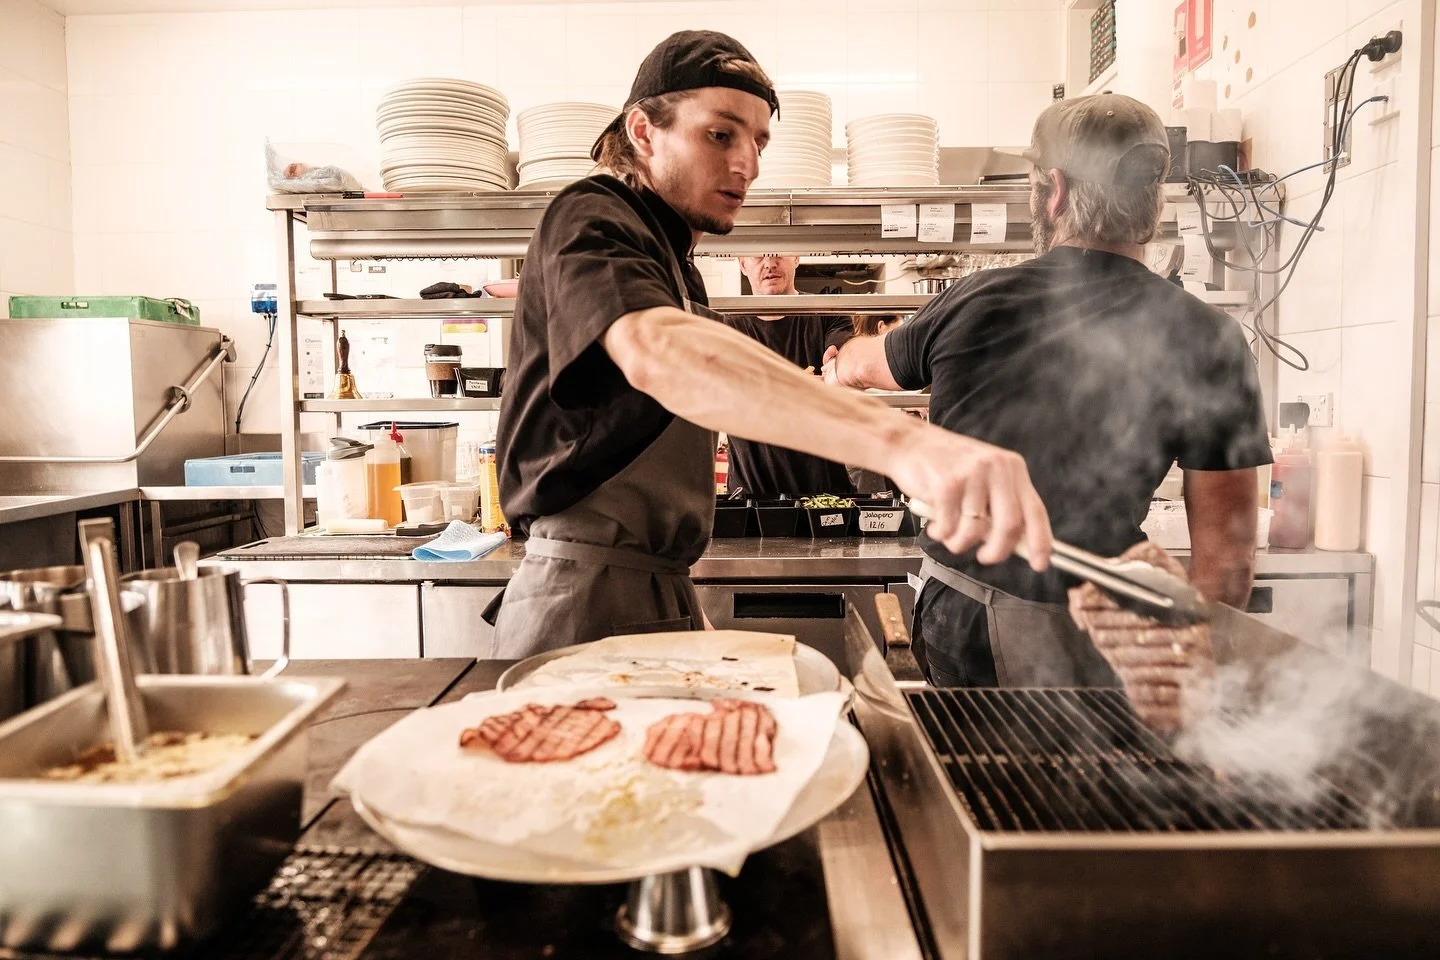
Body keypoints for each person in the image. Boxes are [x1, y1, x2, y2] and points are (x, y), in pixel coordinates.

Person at [486, 29, 1054, 658]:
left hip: (656, 582)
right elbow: (662, 350)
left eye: (758, 142)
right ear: (643, 131)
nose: (748, 165)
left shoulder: (674, 260)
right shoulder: (592, 214)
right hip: (584, 595)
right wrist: (905, 442)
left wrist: (681, 603)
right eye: (720, 134)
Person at [824, 93, 1271, 688]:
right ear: (1151, 200)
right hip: (1107, 621)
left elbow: (869, 364)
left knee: (977, 776)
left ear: (1052, 191)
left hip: (966, 612)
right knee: (1095, 777)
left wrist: (839, 361)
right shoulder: (1211, 338)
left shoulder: (979, 299)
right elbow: (1227, 565)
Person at [721, 254, 856, 498]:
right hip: (752, 493)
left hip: (824, 492)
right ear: (742, 264)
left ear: (795, 258)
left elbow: (841, 357)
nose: (770, 263)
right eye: (759, 256)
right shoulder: (726, 325)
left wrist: (838, 368)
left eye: (778, 254)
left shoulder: (828, 312)